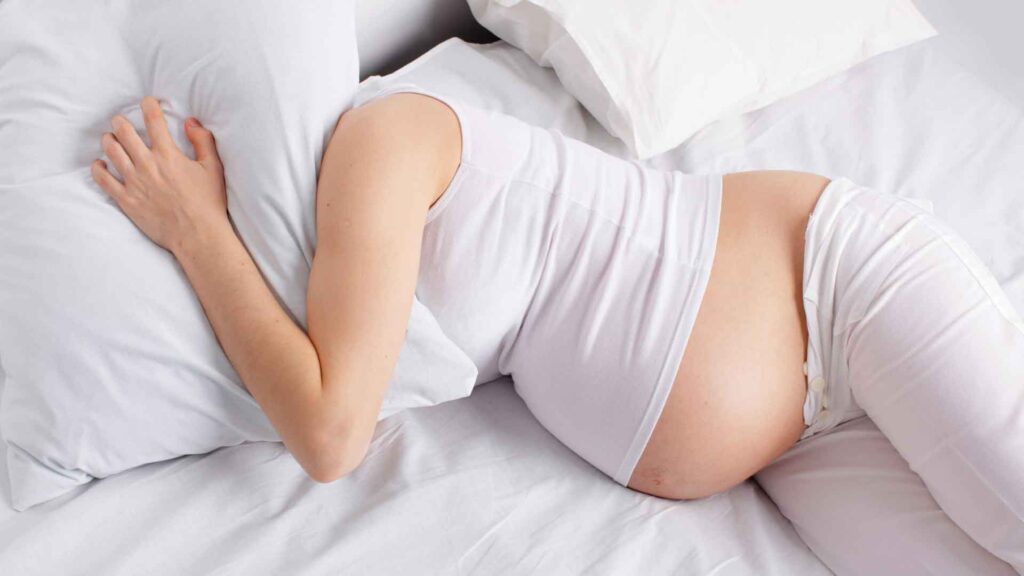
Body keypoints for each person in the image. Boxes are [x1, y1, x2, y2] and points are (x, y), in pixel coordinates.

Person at [91, 92, 1023, 572]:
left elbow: (331, 436)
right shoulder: (322, 234)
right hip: (794, 437)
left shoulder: (385, 138)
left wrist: (197, 234)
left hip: (840, 283)